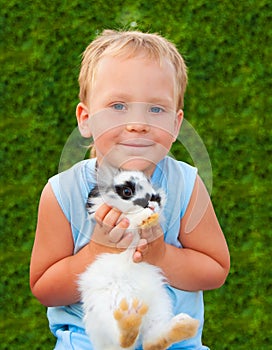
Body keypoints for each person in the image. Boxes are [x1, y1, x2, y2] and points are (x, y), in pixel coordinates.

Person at [30, 29, 230, 349]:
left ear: (176, 125)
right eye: (119, 106)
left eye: (155, 109)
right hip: (87, 342)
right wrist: (99, 251)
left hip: (173, 342)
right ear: (85, 119)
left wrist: (160, 254)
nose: (137, 123)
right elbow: (44, 287)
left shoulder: (185, 184)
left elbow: (215, 269)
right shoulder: (62, 191)